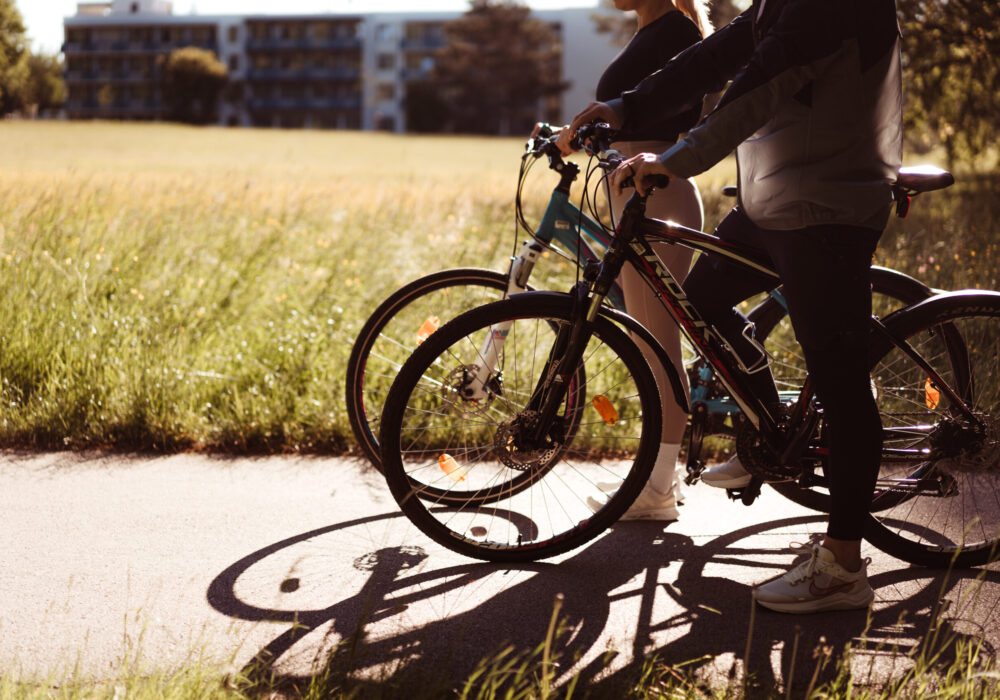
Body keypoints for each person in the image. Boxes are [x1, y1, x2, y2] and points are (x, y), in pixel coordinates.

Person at [566, 0, 902, 613]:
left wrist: (673, 160)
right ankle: (774, 439)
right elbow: (718, 55)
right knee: (702, 303)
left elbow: (757, 86)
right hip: (775, 198)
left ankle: (843, 567)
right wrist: (627, 107)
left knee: (839, 374)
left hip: (827, 204)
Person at [549, 0, 713, 522]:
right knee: (649, 343)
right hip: (635, 195)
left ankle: (658, 490)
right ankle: (657, 476)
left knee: (659, 344)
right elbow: (631, 113)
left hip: (658, 194)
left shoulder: (676, 33)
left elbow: (667, 108)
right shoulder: (652, 32)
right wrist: (569, 134)